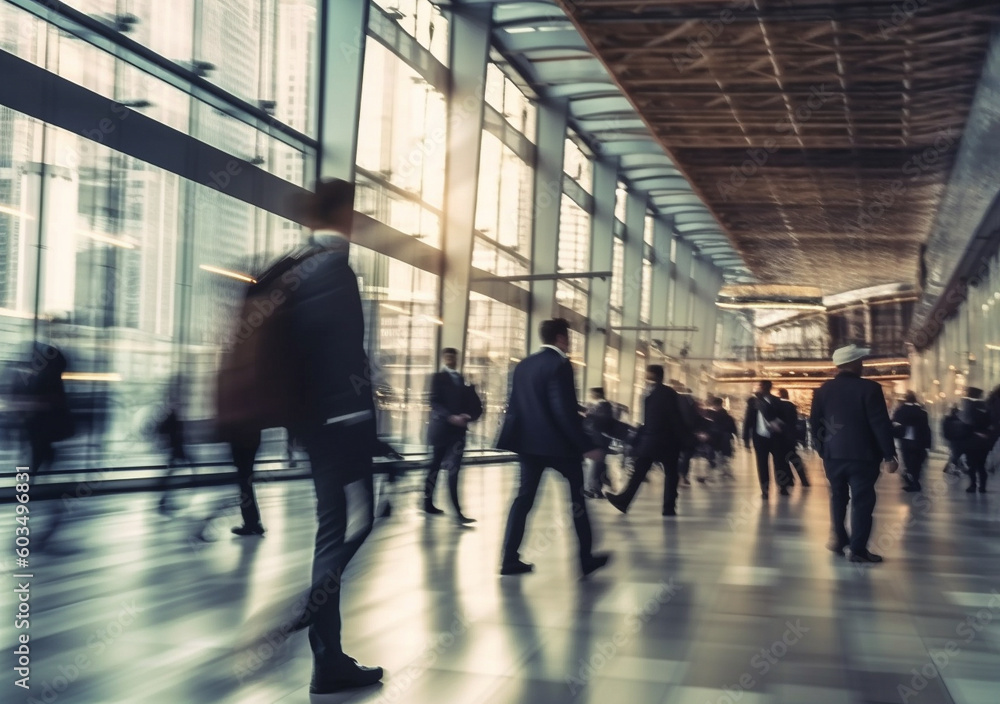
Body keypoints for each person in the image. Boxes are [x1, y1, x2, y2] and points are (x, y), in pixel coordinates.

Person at [261, 179, 382, 693]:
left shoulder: (296, 265)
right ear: (345, 214)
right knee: (357, 522)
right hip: (341, 425)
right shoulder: (334, 268)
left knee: (334, 528)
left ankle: (327, 657)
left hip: (313, 426)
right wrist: (361, 422)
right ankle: (313, 616)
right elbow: (345, 356)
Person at [496, 318, 610, 577]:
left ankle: (509, 559)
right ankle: (585, 559)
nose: (569, 343)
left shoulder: (524, 365)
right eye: (568, 337)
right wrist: (585, 446)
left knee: (523, 500)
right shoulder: (560, 364)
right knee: (576, 500)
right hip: (559, 447)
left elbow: (517, 405)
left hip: (528, 445)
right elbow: (562, 411)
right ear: (561, 338)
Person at [810, 344, 898, 563]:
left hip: (833, 456)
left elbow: (815, 423)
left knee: (837, 497)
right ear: (854, 363)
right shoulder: (870, 389)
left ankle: (839, 540)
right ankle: (857, 550)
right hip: (864, 456)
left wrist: (822, 449)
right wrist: (889, 455)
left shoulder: (823, 390)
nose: (863, 365)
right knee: (862, 501)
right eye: (860, 361)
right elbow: (879, 424)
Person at [606, 365, 691, 516]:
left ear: (654, 375)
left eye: (648, 374)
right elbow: (674, 418)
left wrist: (684, 439)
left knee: (643, 471)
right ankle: (668, 507)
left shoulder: (653, 393)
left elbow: (673, 417)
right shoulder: (658, 393)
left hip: (657, 441)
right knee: (668, 473)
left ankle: (624, 501)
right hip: (664, 441)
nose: (646, 376)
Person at [423, 347, 482, 523]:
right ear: (443, 359)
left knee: (453, 470)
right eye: (447, 357)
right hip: (442, 430)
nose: (450, 359)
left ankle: (457, 511)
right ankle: (427, 503)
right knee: (434, 467)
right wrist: (450, 417)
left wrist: (466, 416)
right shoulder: (438, 378)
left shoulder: (462, 380)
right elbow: (433, 401)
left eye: (452, 357)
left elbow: (471, 404)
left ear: (456, 359)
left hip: (457, 433)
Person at [743, 380, 790, 499]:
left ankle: (782, 486)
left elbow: (784, 418)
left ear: (768, 388)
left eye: (762, 386)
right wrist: (746, 439)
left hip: (776, 437)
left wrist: (777, 424)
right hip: (759, 437)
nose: (761, 388)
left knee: (779, 462)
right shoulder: (753, 403)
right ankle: (765, 489)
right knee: (762, 464)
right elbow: (748, 421)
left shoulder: (777, 402)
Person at [891, 391, 931, 492]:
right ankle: (915, 481)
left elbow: (894, 423)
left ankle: (913, 482)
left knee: (909, 462)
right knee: (917, 463)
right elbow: (926, 428)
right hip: (920, 440)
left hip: (907, 440)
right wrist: (928, 444)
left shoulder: (901, 410)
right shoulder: (921, 411)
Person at [582, 387, 614, 498]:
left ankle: (594, 489)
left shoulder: (604, 405)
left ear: (596, 394)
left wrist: (590, 416)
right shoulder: (597, 406)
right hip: (596, 439)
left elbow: (604, 421)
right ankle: (599, 485)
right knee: (597, 465)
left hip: (600, 440)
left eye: (591, 393)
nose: (589, 395)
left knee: (596, 465)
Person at [957, 387, 990, 493]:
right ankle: (982, 486)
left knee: (971, 464)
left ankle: (973, 485)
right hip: (983, 440)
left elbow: (966, 424)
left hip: (971, 440)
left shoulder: (968, 406)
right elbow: (989, 422)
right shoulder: (985, 406)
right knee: (981, 465)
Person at [776, 388, 810, 487]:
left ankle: (788, 480)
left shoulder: (778, 405)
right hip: (790, 436)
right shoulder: (791, 406)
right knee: (794, 457)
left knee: (782, 460)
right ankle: (803, 479)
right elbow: (794, 421)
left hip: (780, 437)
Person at [703, 396, 737, 480]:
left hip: (715, 440)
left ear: (714, 405)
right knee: (722, 458)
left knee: (713, 458)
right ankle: (726, 472)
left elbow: (711, 428)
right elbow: (734, 429)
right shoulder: (728, 417)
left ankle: (708, 476)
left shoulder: (713, 416)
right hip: (725, 440)